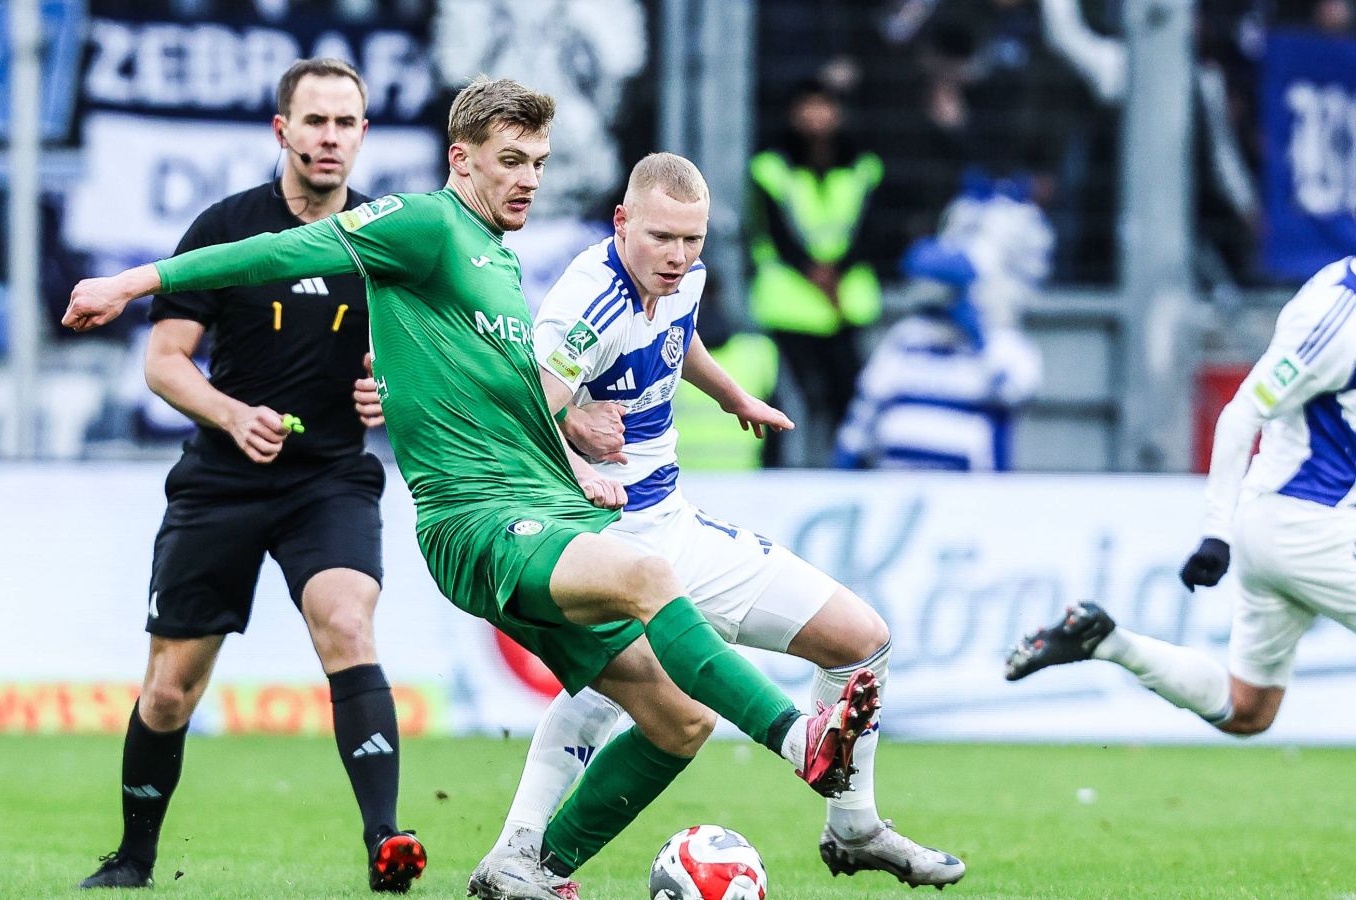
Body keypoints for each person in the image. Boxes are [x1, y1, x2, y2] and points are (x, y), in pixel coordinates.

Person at [63, 76, 880, 900]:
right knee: (649, 577)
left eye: (540, 162)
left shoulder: (496, 258)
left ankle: (527, 872)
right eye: (511, 160)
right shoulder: (425, 223)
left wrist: (571, 448)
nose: (529, 178)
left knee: (679, 720)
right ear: (463, 159)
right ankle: (795, 738)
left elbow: (490, 383)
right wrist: (131, 284)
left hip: (540, 505)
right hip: (478, 522)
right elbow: (278, 251)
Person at [438, 152, 965, 892]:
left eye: (693, 240)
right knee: (609, 697)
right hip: (601, 541)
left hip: (674, 527)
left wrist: (730, 395)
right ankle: (523, 857)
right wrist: (580, 461)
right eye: (661, 238)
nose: (679, 257)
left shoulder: (683, 278)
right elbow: (526, 411)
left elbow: (679, 338)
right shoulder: (583, 307)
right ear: (622, 223)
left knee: (861, 640)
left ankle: (854, 829)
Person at [76, 59, 425, 893]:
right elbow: (164, 364)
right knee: (169, 691)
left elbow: (424, 361)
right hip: (222, 482)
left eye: (347, 123)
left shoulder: (386, 240)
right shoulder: (226, 228)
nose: (331, 137)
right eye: (316, 122)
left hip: (330, 479)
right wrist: (232, 414)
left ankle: (387, 840)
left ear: (364, 134)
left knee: (348, 620)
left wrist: (394, 387)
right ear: (283, 130)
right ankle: (132, 858)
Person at [1006, 255, 1356, 737]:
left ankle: (1106, 641)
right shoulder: (1337, 318)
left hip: (1279, 523)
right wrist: (1216, 532)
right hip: (1309, 526)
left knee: (1246, 710)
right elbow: (1241, 414)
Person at [834, 173, 1048, 471]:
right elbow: (865, 411)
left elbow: (1014, 388)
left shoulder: (1005, 346)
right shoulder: (907, 337)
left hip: (963, 502)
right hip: (892, 491)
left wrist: (979, 337)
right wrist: (844, 463)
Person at [747, 80, 885, 467]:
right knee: (798, 401)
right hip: (791, 307)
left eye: (823, 106)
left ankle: (847, 470)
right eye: (808, 106)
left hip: (846, 306)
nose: (816, 116)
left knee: (850, 399)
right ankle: (798, 472)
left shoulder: (863, 166)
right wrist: (822, 277)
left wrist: (836, 274)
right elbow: (773, 232)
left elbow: (871, 230)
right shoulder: (771, 166)